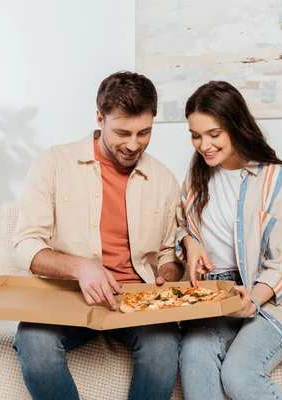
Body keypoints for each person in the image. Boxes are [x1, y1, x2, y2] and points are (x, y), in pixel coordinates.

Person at [11, 71, 185, 400]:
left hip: (136, 299)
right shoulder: (53, 163)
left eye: (144, 133)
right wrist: (81, 268)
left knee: (163, 349)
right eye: (122, 132)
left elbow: (168, 252)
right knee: (34, 343)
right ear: (99, 118)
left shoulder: (163, 179)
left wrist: (168, 273)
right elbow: (24, 246)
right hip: (65, 297)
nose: (134, 144)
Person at [175, 80, 282, 400]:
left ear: (236, 126)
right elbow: (179, 224)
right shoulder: (196, 176)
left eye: (214, 134)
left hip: (268, 294)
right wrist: (189, 242)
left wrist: (252, 299)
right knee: (195, 354)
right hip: (215, 294)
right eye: (195, 135)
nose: (204, 145)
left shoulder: (276, 179)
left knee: (239, 373)